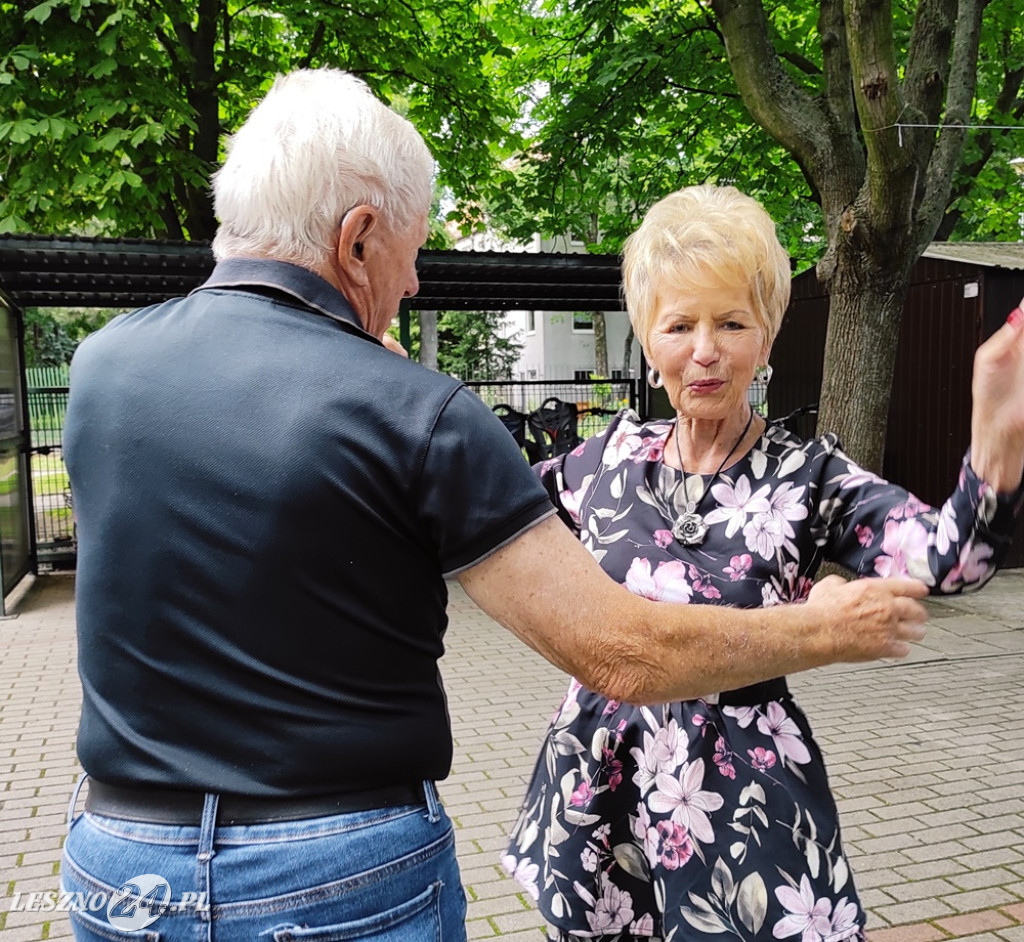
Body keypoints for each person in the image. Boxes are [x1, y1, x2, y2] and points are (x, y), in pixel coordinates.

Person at [59, 72, 929, 942]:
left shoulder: (101, 372)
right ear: (358, 240)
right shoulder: (417, 414)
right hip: (339, 876)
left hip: (118, 864)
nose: (412, 285)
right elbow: (620, 654)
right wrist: (822, 631)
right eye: (410, 254)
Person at [502, 184, 1024, 942]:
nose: (705, 350)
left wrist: (997, 442)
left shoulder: (808, 477)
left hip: (743, 811)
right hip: (602, 795)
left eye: (732, 322)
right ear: (649, 340)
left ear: (768, 335)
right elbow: (476, 511)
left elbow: (951, 560)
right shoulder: (603, 463)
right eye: (679, 324)